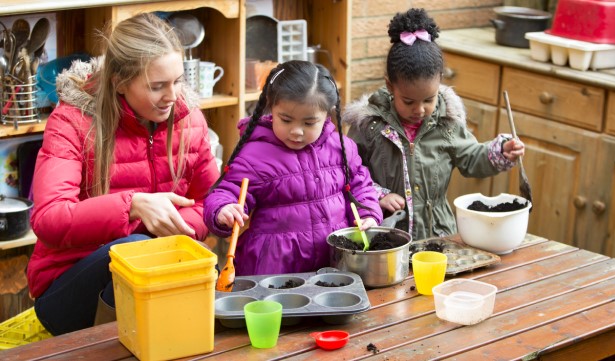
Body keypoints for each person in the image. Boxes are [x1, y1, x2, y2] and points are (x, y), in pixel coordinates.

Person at [27, 13, 220, 335]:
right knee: (133, 248)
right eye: (157, 86)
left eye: (178, 80)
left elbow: (209, 200)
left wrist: (180, 227)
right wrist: (131, 205)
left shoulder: (189, 119)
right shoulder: (71, 122)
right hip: (70, 288)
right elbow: (49, 219)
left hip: (156, 273)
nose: (173, 97)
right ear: (118, 82)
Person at [344, 8, 525, 241]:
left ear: (440, 82)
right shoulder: (369, 126)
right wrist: (378, 195)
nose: (419, 110)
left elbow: (472, 157)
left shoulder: (447, 124)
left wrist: (501, 150)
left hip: (437, 236)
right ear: (390, 87)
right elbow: (348, 172)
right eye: (408, 101)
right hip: (386, 237)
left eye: (428, 100)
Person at [204, 60, 383, 276]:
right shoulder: (256, 154)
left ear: (327, 114)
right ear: (272, 107)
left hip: (334, 260)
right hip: (274, 267)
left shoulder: (341, 148)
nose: (296, 131)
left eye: (309, 123)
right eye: (286, 120)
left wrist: (369, 214)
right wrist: (223, 209)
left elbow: (360, 185)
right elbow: (228, 190)